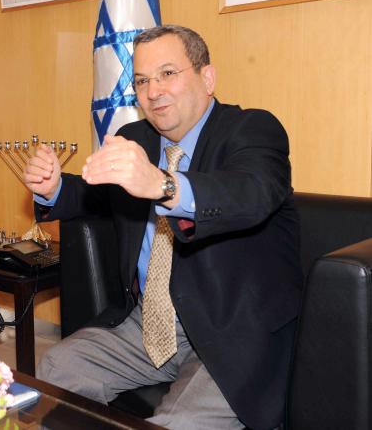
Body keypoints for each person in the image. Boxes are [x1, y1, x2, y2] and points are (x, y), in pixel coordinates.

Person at [22, 25, 302, 430]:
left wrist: (163, 185)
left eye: (168, 73)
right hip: (148, 324)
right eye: (141, 80)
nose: (153, 91)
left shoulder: (253, 130)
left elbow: (251, 193)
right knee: (57, 368)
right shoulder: (134, 136)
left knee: (177, 423)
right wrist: (54, 188)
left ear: (207, 77)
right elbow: (96, 196)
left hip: (232, 327)